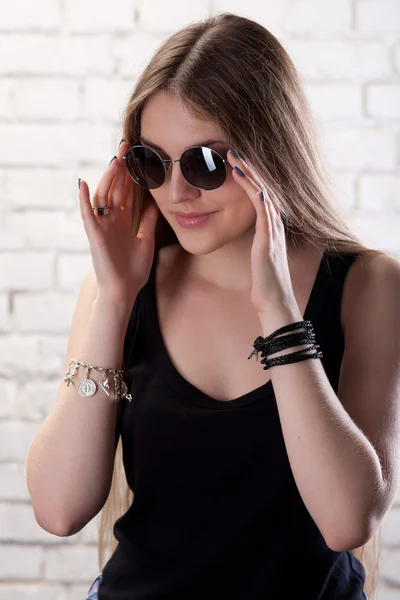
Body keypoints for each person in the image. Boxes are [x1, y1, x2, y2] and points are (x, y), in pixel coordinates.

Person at [25, 12, 400, 600]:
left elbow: (347, 521)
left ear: (271, 153)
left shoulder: (369, 285)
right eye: (152, 162)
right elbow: (58, 509)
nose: (176, 192)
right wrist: (116, 300)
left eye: (206, 162)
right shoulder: (119, 289)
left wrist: (278, 309)